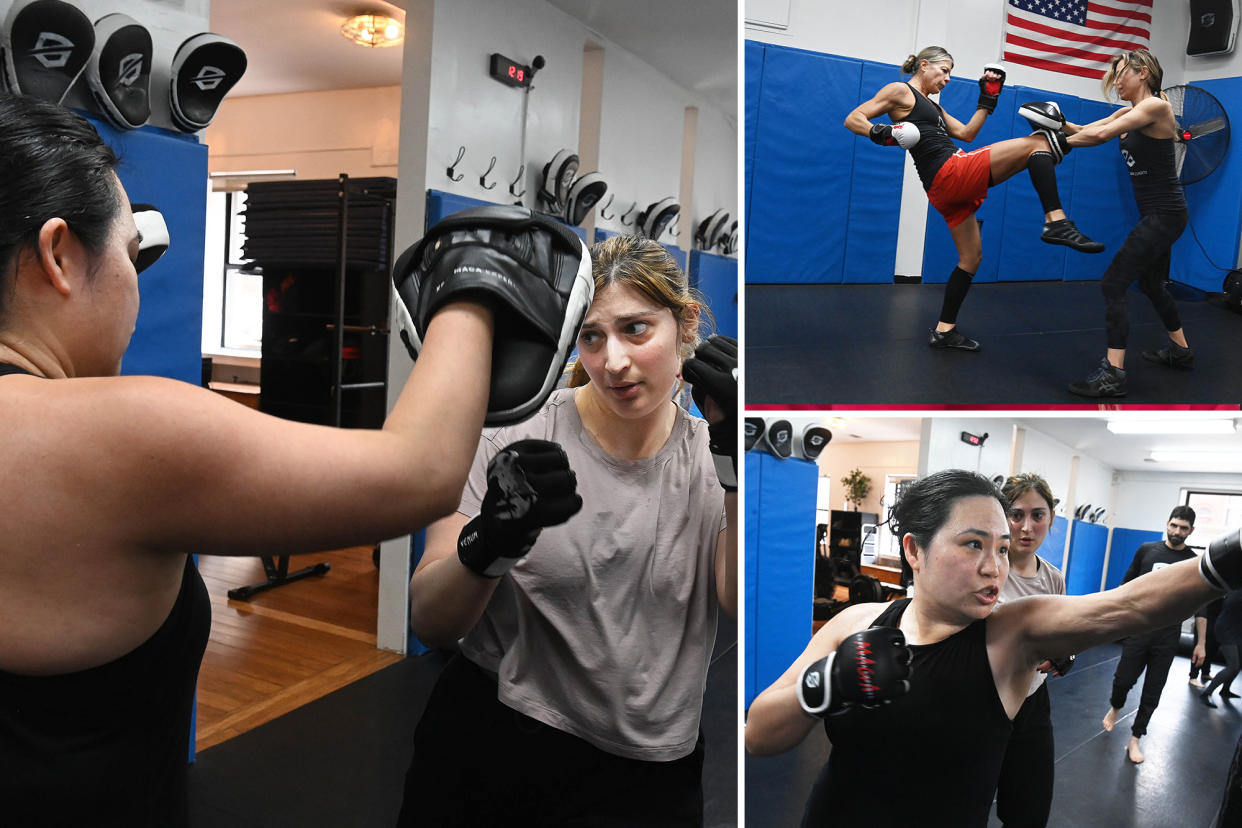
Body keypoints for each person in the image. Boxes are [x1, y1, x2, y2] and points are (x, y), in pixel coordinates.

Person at [0, 93, 586, 827]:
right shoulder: (115, 430)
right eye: (127, 256)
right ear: (58, 255)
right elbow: (423, 473)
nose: (135, 286)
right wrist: (475, 287)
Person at [397, 234, 739, 826]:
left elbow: (732, 598)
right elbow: (431, 619)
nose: (613, 362)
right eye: (591, 337)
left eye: (636, 329)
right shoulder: (510, 436)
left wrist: (733, 463)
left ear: (685, 325)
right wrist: (495, 538)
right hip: (496, 737)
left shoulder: (711, 461)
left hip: (647, 765)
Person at [745, 470, 1235, 828]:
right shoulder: (854, 623)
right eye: (973, 545)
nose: (994, 567)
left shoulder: (1011, 635)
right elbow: (757, 736)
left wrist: (1225, 562)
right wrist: (824, 685)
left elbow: (1127, 606)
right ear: (915, 550)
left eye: (1001, 548)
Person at [843, 45, 1104, 354]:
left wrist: (987, 99)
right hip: (950, 172)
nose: (948, 78)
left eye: (951, 72)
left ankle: (945, 331)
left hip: (943, 189)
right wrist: (883, 132)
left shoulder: (933, 107)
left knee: (971, 259)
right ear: (924, 65)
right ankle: (1056, 222)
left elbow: (966, 133)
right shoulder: (900, 90)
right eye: (944, 70)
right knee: (1038, 142)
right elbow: (853, 118)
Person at [1059, 50, 1192, 397]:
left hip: (1166, 214)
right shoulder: (1130, 112)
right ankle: (1180, 351)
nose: (1116, 81)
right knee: (1150, 284)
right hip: (1156, 214)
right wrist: (1056, 124)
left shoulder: (1157, 108)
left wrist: (1051, 145)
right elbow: (1085, 130)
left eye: (1121, 74)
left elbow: (1098, 138)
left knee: (1113, 284)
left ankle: (1112, 375)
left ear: (1142, 73)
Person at [994, 473, 1067, 828]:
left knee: (1030, 810)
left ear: (1050, 518)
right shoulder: (988, 568)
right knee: (962, 805)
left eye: (1037, 515)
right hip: (983, 700)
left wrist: (1065, 653)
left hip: (1034, 702)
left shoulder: (1054, 578)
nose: (1026, 526)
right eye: (1016, 514)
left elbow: (1061, 635)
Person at [1100, 505, 1198, 764]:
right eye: (1174, 525)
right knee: (1122, 680)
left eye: (1183, 528)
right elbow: (1126, 584)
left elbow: (1199, 602)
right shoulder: (1147, 550)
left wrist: (1202, 642)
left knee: (1153, 690)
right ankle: (1115, 707)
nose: (1177, 531)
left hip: (1168, 635)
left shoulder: (1192, 561)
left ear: (1191, 531)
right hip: (1140, 629)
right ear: (1167, 523)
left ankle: (1135, 739)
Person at [1200, 589, 1242, 706]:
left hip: (1237, 630)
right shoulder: (1236, 591)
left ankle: (1225, 690)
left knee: (1239, 664)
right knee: (1233, 665)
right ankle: (1206, 693)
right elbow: (1231, 606)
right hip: (1226, 629)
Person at [1190, 596, 1224, 689]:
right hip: (1204, 619)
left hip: (1217, 620)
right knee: (1200, 647)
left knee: (1212, 647)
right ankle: (1193, 676)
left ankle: (1205, 672)